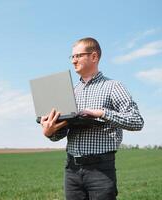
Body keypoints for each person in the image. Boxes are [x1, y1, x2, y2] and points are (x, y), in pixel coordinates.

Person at [40, 37, 144, 200]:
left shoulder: (113, 86)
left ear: (94, 57)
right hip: (71, 171)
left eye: (78, 56)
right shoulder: (71, 92)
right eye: (72, 57)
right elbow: (63, 131)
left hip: (100, 171)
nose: (74, 61)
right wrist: (50, 132)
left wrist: (101, 113)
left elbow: (136, 121)